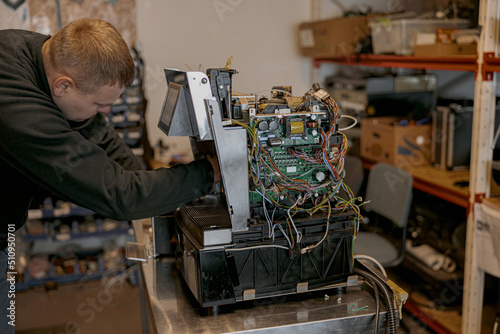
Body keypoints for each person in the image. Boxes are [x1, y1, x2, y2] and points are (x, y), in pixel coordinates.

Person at [0, 18, 220, 332]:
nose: (105, 112)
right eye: (100, 104)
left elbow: (97, 134)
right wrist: (207, 173)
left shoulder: (46, 54)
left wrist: (153, 190)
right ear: (63, 86)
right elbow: (119, 196)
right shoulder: (19, 109)